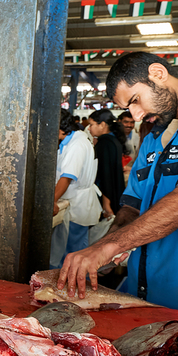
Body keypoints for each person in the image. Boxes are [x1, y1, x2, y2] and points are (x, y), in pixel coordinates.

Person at [59, 51, 178, 328]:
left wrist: (111, 246)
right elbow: (131, 207)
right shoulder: (153, 137)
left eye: (135, 100)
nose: (136, 114)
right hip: (147, 296)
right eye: (127, 108)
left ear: (158, 73)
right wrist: (101, 251)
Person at [51, 108, 100, 269]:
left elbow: (67, 177)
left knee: (74, 252)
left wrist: (53, 201)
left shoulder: (77, 144)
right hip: (73, 201)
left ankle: (73, 288)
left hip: (78, 205)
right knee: (68, 250)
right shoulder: (69, 142)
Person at [87, 108, 126, 218]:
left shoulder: (104, 144)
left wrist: (106, 205)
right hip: (116, 192)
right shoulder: (113, 141)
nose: (89, 129)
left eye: (91, 124)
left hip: (106, 197)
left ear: (102, 124)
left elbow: (105, 176)